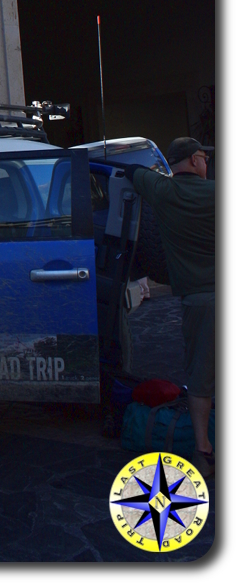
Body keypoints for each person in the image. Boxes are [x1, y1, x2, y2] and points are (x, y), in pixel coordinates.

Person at [124, 137, 215, 476]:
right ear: (194, 160)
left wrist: (152, 172)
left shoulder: (162, 191)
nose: (206, 163)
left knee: (200, 377)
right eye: (204, 157)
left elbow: (132, 170)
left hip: (198, 302)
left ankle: (203, 451)